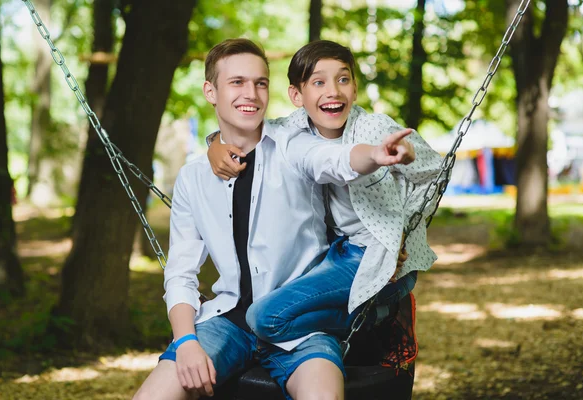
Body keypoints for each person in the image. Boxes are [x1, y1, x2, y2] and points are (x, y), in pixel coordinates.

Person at [133, 38, 418, 400]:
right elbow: (180, 272)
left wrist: (375, 154)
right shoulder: (193, 177)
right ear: (210, 90)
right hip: (226, 322)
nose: (250, 93)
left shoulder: (293, 144)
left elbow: (332, 159)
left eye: (260, 82)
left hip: (300, 329)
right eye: (237, 82)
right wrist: (186, 340)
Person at [206, 40, 442, 367]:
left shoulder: (374, 127)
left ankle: (379, 315)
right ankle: (362, 315)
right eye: (319, 82)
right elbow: (247, 129)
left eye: (343, 79)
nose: (333, 91)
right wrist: (216, 144)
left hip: (379, 259)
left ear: (355, 89)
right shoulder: (295, 129)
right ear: (296, 96)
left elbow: (434, 174)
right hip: (338, 254)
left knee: (263, 319)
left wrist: (404, 230)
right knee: (266, 311)